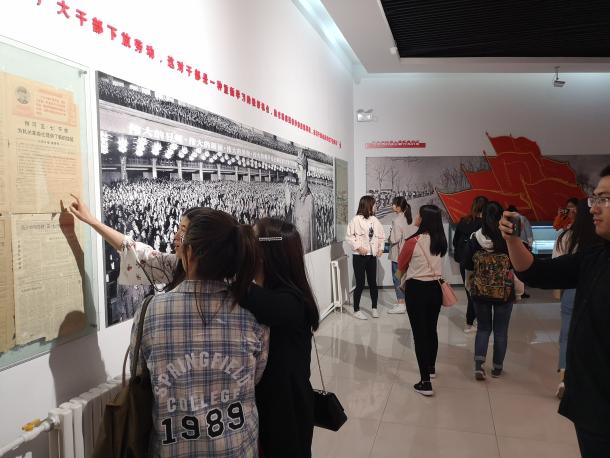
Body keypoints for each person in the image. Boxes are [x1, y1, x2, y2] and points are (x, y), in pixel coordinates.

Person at [130, 209, 269, 457]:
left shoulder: (150, 310)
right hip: (236, 448)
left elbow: (140, 374)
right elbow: (256, 375)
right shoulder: (253, 312)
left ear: (191, 252)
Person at [499, 165, 610, 457]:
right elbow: (537, 272)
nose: (594, 208)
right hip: (591, 406)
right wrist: (512, 240)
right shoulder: (596, 257)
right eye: (594, 199)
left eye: (604, 199)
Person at [242, 218, 319, 457]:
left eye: (250, 241)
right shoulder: (283, 295)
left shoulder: (289, 302)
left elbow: (247, 294)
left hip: (286, 414)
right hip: (279, 407)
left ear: (264, 253)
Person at [551, 198, 603, 400]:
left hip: (573, 290)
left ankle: (564, 379)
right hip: (598, 289)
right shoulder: (601, 238)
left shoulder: (567, 236)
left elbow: (557, 265)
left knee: (567, 334)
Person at [397, 204, 447, 396]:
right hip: (435, 289)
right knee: (431, 330)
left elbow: (401, 265)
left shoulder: (412, 241)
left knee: (419, 335)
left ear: (424, 219)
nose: (416, 216)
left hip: (417, 290)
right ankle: (431, 368)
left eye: (419, 214)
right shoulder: (440, 240)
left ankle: (425, 382)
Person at [462, 202, 516, 380]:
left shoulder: (475, 238)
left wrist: (469, 286)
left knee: (483, 329)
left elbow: (467, 265)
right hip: (504, 292)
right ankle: (497, 368)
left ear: (483, 216)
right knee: (501, 331)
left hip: (480, 291)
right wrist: (518, 291)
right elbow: (516, 267)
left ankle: (479, 366)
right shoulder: (508, 238)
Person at [452, 195, 488, 332]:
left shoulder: (464, 221)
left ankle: (469, 323)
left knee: (469, 291)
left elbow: (455, 241)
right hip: (482, 261)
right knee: (481, 293)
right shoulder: (486, 224)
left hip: (464, 261)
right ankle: (478, 321)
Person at [346, 196, 385, 320]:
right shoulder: (356, 220)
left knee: (373, 282)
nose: (376, 206)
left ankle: (374, 308)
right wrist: (358, 247)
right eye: (374, 204)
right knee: (360, 283)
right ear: (368, 205)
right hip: (359, 257)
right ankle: (356, 310)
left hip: (372, 256)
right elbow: (349, 237)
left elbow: (381, 236)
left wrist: (381, 248)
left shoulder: (375, 220)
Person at [387, 196, 414, 314]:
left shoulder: (397, 220)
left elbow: (394, 239)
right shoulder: (408, 219)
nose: (392, 205)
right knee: (405, 278)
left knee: (397, 278)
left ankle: (401, 303)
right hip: (407, 254)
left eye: (393, 204)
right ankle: (405, 302)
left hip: (398, 255)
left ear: (398, 207)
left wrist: (389, 236)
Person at [293, 149, 315, 253]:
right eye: (297, 169)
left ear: (305, 172)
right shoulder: (297, 195)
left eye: (300, 169)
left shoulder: (309, 198)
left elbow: (308, 231)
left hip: (305, 246)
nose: (297, 173)